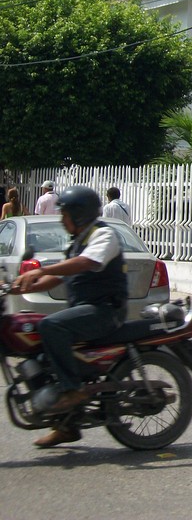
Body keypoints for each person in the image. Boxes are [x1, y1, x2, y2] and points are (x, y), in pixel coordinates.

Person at [12, 185, 127, 448]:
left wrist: (41, 270)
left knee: (52, 325)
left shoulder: (103, 235)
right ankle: (66, 426)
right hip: (86, 309)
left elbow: (87, 263)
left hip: (105, 311)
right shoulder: (77, 243)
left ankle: (73, 390)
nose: (61, 220)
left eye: (64, 215)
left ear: (79, 215)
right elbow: (59, 277)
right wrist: (22, 285)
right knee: (40, 352)